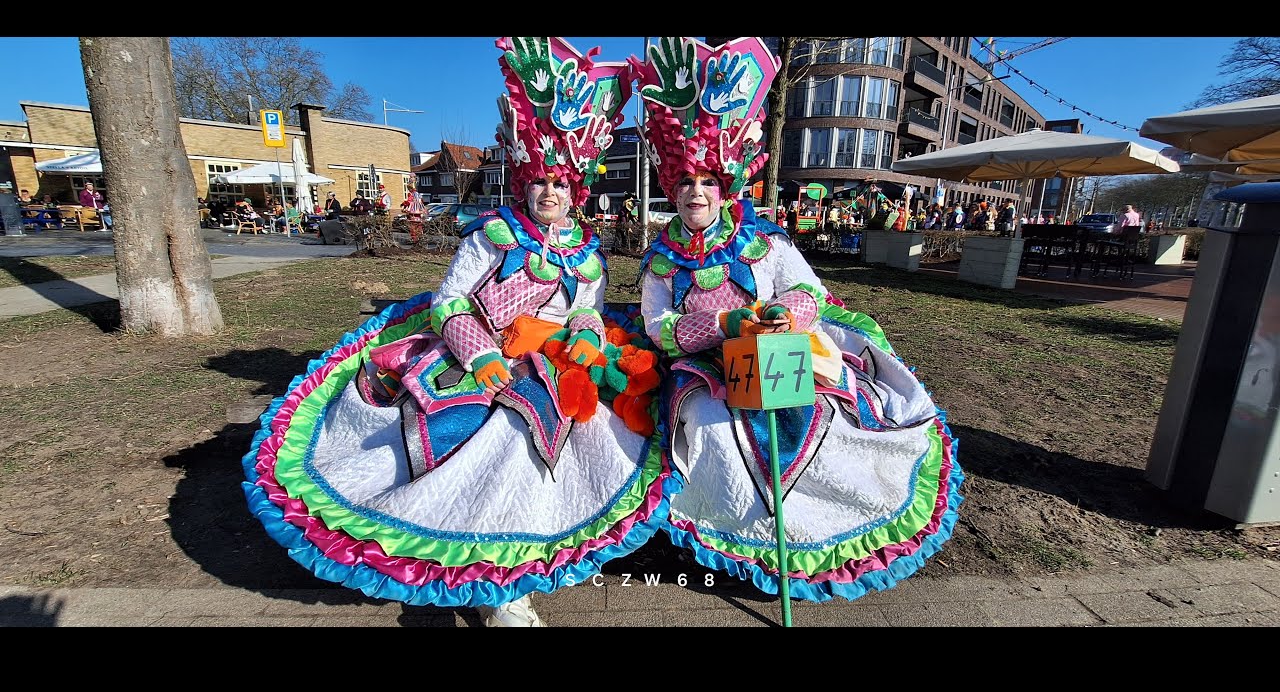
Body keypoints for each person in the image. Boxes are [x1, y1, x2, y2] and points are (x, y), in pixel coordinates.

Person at [242, 36, 667, 627]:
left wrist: (589, 335)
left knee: (590, 431)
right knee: (493, 431)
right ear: (525, 185)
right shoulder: (491, 237)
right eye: (541, 181)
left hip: (551, 362)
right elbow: (449, 302)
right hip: (476, 356)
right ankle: (493, 586)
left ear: (577, 191)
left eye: (561, 184)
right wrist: (481, 355)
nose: (550, 192)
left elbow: (587, 311)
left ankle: (528, 555)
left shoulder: (586, 253)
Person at [633, 36, 960, 603]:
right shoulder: (660, 260)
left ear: (725, 188)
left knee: (819, 416)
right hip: (702, 368)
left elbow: (809, 289)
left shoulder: (765, 241)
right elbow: (659, 327)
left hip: (781, 353)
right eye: (686, 182)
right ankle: (738, 544)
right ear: (672, 189)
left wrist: (784, 313)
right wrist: (723, 329)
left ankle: (812, 536)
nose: (696, 192)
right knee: (715, 430)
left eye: (707, 182)